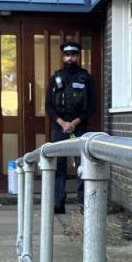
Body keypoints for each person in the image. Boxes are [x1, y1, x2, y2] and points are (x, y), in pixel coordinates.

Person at [45, 41, 96, 214]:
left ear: (77, 56)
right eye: (67, 55)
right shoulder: (56, 77)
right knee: (59, 166)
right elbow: (48, 106)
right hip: (59, 127)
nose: (70, 58)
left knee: (82, 165)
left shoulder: (86, 77)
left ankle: (83, 203)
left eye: (73, 55)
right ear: (63, 56)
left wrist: (74, 123)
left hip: (79, 127)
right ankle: (58, 203)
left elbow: (92, 106)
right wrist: (62, 122)